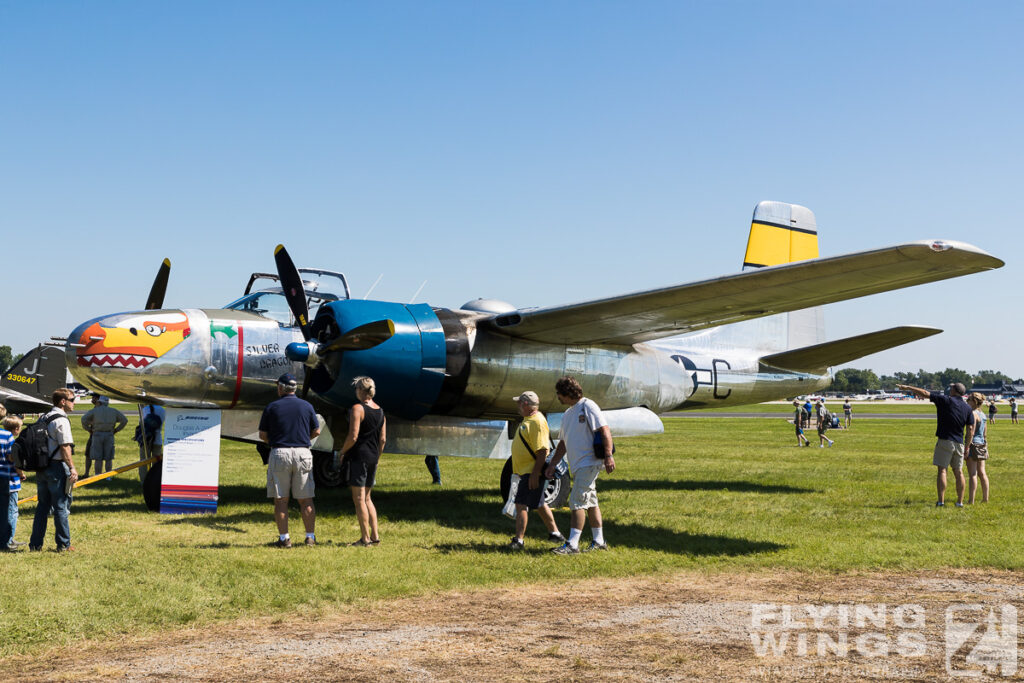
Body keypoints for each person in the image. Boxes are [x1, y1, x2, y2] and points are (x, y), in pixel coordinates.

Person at [545, 376, 614, 554]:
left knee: (576, 501)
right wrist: (553, 463)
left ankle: (572, 544)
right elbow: (563, 443)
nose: (558, 397)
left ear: (567, 393)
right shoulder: (568, 414)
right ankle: (599, 542)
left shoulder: (587, 406)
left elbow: (604, 429)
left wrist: (608, 456)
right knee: (591, 502)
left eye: (559, 393)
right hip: (578, 465)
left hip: (590, 462)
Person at [258, 373, 321, 548]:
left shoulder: (272, 407)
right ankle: (310, 536)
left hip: (280, 452)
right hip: (302, 452)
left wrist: (275, 441)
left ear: (281, 388)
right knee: (306, 499)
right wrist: (303, 439)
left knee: (281, 499)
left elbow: (262, 434)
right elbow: (317, 431)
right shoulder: (307, 406)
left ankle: (284, 538)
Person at [896, 382, 974, 508]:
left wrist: (908, 387)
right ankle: (960, 502)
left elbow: (926, 393)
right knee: (959, 472)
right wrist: (967, 446)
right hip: (959, 443)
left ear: (954, 390)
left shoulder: (945, 400)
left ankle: (941, 502)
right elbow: (970, 429)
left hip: (945, 440)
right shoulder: (967, 408)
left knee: (942, 470)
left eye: (951, 387)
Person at [506, 391, 565, 551]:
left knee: (521, 504)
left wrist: (534, 474)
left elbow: (543, 450)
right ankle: (555, 533)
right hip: (526, 471)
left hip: (531, 472)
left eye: (519, 403)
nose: (517, 405)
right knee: (539, 503)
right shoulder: (529, 420)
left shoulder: (537, 422)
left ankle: (519, 541)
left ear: (525, 404)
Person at [338, 376, 386, 546]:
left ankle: (365, 538)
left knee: (359, 500)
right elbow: (383, 440)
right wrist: (377, 457)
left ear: (360, 390)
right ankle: (375, 536)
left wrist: (342, 452)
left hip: (359, 457)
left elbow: (353, 436)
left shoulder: (357, 408)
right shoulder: (380, 411)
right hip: (373, 457)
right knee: (367, 498)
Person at [29, 388, 79, 551]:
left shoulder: (44, 416)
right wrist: (72, 467)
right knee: (61, 506)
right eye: (72, 399)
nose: (74, 402)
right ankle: (64, 544)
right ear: (62, 401)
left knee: (42, 506)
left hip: (41, 466)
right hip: (57, 467)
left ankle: (35, 544)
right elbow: (65, 447)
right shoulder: (61, 420)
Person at [81, 395, 128, 475]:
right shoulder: (113, 411)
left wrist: (88, 429)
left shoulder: (95, 411)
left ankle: (98, 475)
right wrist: (116, 430)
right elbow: (124, 420)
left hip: (97, 434)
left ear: (99, 402)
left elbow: (83, 419)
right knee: (108, 458)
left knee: (98, 458)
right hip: (109, 434)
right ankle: (108, 476)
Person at [1, 412, 26, 552]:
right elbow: (12, 459)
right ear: (16, 429)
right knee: (11, 510)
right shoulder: (9, 437)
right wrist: (21, 473)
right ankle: (8, 540)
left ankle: (5, 538)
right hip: (9, 478)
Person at [964, 392, 990, 504]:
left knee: (973, 474)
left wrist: (967, 447)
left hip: (973, 444)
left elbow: (971, 431)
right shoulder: (983, 414)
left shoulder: (973, 414)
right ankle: (985, 498)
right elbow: (985, 433)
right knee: (982, 473)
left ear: (973, 402)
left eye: (968, 399)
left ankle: (971, 500)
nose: (967, 401)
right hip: (982, 444)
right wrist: (985, 443)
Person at [137, 403, 166, 482]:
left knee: (143, 461)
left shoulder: (145, 409)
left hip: (146, 439)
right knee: (156, 462)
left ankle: (143, 481)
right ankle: (155, 480)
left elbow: (141, 423)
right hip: (158, 439)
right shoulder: (162, 410)